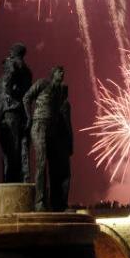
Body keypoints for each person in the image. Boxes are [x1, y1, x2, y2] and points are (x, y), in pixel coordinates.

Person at [23, 66, 73, 211]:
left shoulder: (59, 92)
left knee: (55, 167)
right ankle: (39, 202)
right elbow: (26, 97)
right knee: (41, 164)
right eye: (59, 71)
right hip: (39, 125)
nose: (62, 73)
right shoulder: (42, 83)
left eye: (63, 71)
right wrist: (29, 117)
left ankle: (55, 203)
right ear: (52, 74)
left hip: (52, 129)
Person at [0, 42, 33, 183]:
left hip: (10, 111)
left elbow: (5, 87)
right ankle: (22, 181)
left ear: (14, 52)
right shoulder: (28, 71)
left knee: (9, 150)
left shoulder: (12, 64)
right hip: (23, 111)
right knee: (21, 151)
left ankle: (9, 183)